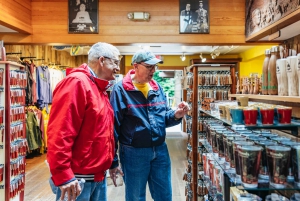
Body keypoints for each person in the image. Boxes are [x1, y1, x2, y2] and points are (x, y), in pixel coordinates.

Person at [109, 49, 190, 201]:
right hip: (134, 153)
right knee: (135, 197)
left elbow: (162, 118)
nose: (153, 70)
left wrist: (176, 115)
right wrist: (113, 160)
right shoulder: (120, 90)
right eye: (149, 67)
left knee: (164, 196)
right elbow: (113, 127)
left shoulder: (157, 87)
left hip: (160, 151)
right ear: (136, 66)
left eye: (155, 67)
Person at [47, 42, 121, 201]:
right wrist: (63, 174)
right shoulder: (77, 83)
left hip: (96, 177)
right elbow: (60, 132)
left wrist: (112, 163)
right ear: (101, 61)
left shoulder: (98, 88)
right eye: (115, 62)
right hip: (78, 180)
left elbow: (103, 132)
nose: (118, 68)